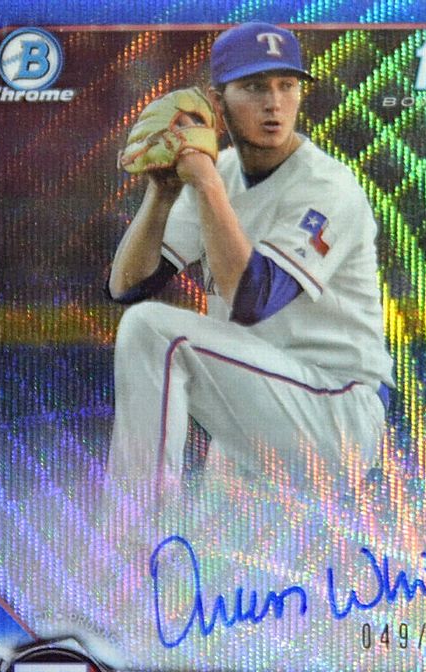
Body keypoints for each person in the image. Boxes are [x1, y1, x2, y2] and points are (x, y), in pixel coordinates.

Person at [107, 22, 394, 496]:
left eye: (287, 85)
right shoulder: (217, 172)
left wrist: (205, 183)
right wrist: (161, 195)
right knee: (213, 543)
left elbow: (252, 300)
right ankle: (161, 539)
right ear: (218, 102)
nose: (274, 102)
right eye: (255, 87)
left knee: (155, 331)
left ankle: (134, 529)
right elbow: (128, 286)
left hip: (335, 410)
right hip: (258, 401)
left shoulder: (328, 185)